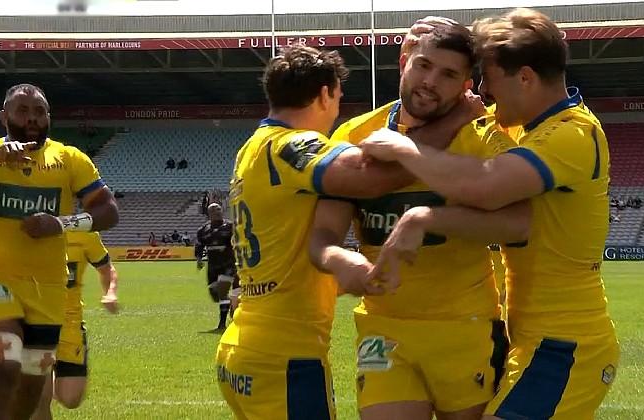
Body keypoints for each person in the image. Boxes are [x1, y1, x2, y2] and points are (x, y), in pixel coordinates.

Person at [359, 8, 619, 419]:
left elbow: (485, 187)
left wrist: (406, 149)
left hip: (567, 343)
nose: (481, 89)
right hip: (533, 338)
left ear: (526, 77)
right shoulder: (532, 131)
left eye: (489, 78)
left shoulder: (571, 133)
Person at [215, 45, 443, 420]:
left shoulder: (250, 149)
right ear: (324, 94)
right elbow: (368, 178)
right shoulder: (287, 145)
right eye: (337, 98)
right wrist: (450, 128)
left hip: (243, 346)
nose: (337, 109)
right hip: (284, 356)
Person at [310, 20, 524, 420]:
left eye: (448, 75)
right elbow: (323, 234)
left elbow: (520, 223)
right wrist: (342, 261)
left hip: (466, 327)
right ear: (404, 61)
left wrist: (431, 219)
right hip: (382, 330)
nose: (430, 81)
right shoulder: (354, 135)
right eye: (423, 65)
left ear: (466, 85)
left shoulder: (482, 136)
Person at [0, 83, 118, 420]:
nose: (32, 118)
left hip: (49, 292)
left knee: (30, 396)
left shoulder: (68, 159)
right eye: (22, 110)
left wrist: (61, 223)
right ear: (3, 116)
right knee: (2, 375)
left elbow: (108, 210)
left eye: (40, 111)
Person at [31, 231, 119, 420]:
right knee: (39, 400)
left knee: (71, 399)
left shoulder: (86, 235)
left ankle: (50, 378)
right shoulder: (31, 229)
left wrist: (110, 292)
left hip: (71, 325)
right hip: (37, 322)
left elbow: (107, 269)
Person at [195, 203, 238, 332]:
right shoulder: (203, 230)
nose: (217, 211)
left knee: (222, 291)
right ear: (209, 213)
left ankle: (221, 324)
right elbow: (200, 245)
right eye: (214, 210)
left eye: (219, 209)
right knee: (215, 295)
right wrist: (199, 259)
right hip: (213, 266)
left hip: (228, 264)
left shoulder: (230, 227)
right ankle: (233, 302)